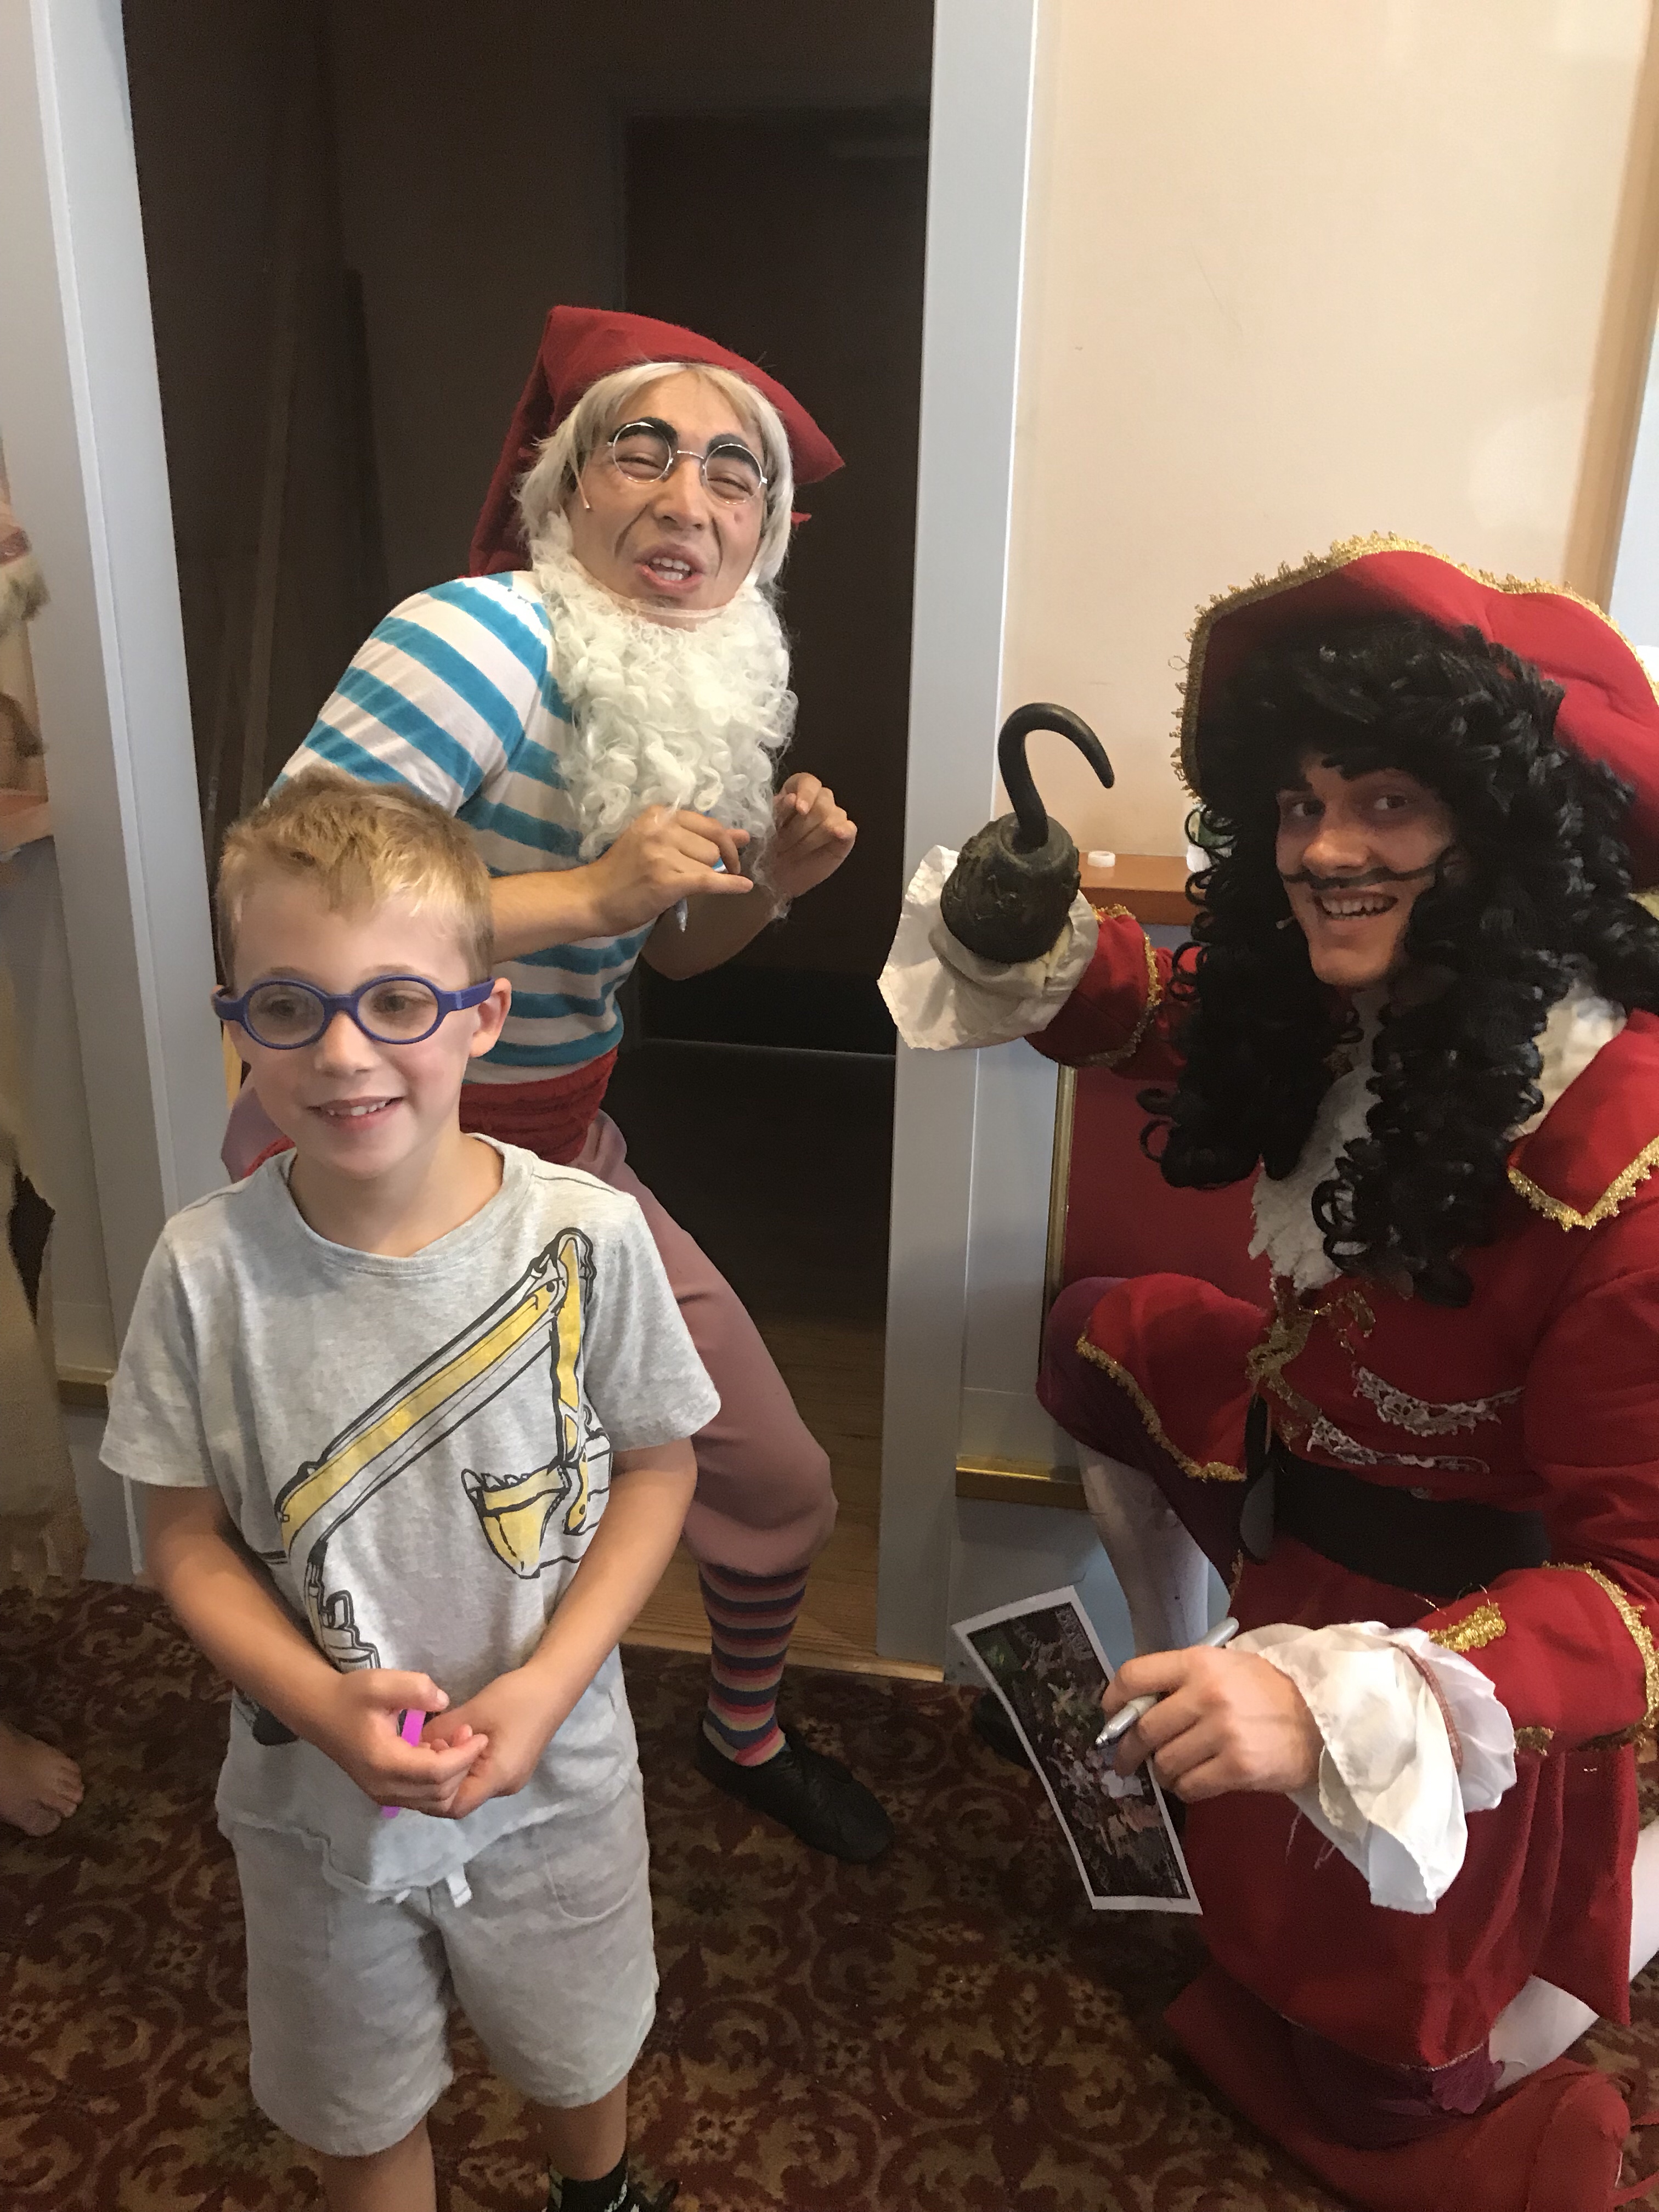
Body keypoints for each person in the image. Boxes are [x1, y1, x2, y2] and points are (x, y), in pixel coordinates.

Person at [881, 537, 1659, 2211]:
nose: (1320, 850)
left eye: (1385, 803)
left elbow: (1644, 1599)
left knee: (1380, 2086)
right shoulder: (1366, 993)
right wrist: (1034, 923)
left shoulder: (1625, 1166)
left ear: (1511, 834)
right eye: (1300, 805)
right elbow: (1164, 1017)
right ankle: (1191, 1680)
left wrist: (1330, 1702)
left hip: (1448, 1626)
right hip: (1298, 1466)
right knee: (1099, 1337)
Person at [224, 304, 888, 1864]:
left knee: (774, 1478)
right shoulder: (478, 637)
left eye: (734, 476)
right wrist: (591, 890)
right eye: (641, 453)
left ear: (765, 536)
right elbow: (292, 897)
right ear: (565, 487)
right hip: (367, 1160)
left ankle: (742, 1731)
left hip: (566, 1157)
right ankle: (322, 1744)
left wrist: (769, 891)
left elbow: (674, 961)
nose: (688, 499)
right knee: (351, 1516)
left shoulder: (708, 686)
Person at [104, 776, 710, 2212]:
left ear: (484, 1016)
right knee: (350, 2097)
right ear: (236, 1021)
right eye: (288, 1007)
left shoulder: (587, 1236)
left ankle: (599, 2194)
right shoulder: (203, 1272)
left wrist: (549, 1684)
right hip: (312, 1799)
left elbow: (658, 1466)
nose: (343, 1052)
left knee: (576, 2046)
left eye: (396, 1002)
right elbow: (181, 1538)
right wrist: (320, 1707)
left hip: (552, 1770)